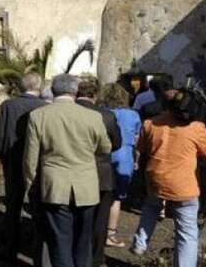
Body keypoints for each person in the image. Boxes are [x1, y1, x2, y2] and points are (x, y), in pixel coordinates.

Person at [24, 74, 112, 267]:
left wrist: (31, 185)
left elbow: (31, 157)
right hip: (87, 186)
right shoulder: (93, 116)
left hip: (55, 185)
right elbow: (105, 148)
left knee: (60, 241)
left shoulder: (39, 116)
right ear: (75, 91)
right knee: (83, 241)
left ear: (53, 90)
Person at [130, 89, 206, 265]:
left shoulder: (151, 123)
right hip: (183, 185)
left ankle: (140, 242)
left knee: (151, 205)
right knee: (187, 232)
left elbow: (141, 148)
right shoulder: (196, 128)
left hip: (155, 178)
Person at [0, 72, 47, 263]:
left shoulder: (8, 106)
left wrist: (4, 157)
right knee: (38, 206)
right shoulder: (45, 107)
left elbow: (0, 136)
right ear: (39, 86)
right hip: (38, 164)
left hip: (13, 160)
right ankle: (36, 249)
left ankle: (10, 247)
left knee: (13, 205)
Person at [76, 81, 122, 267]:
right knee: (100, 218)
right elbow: (116, 144)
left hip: (75, 170)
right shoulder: (107, 116)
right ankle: (96, 257)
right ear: (95, 95)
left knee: (75, 215)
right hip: (101, 172)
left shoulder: (67, 112)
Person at [97, 83, 141, 248]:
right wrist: (136, 160)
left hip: (102, 155)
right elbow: (137, 139)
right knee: (116, 199)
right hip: (124, 156)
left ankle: (94, 230)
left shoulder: (100, 113)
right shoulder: (133, 115)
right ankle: (110, 234)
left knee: (98, 194)